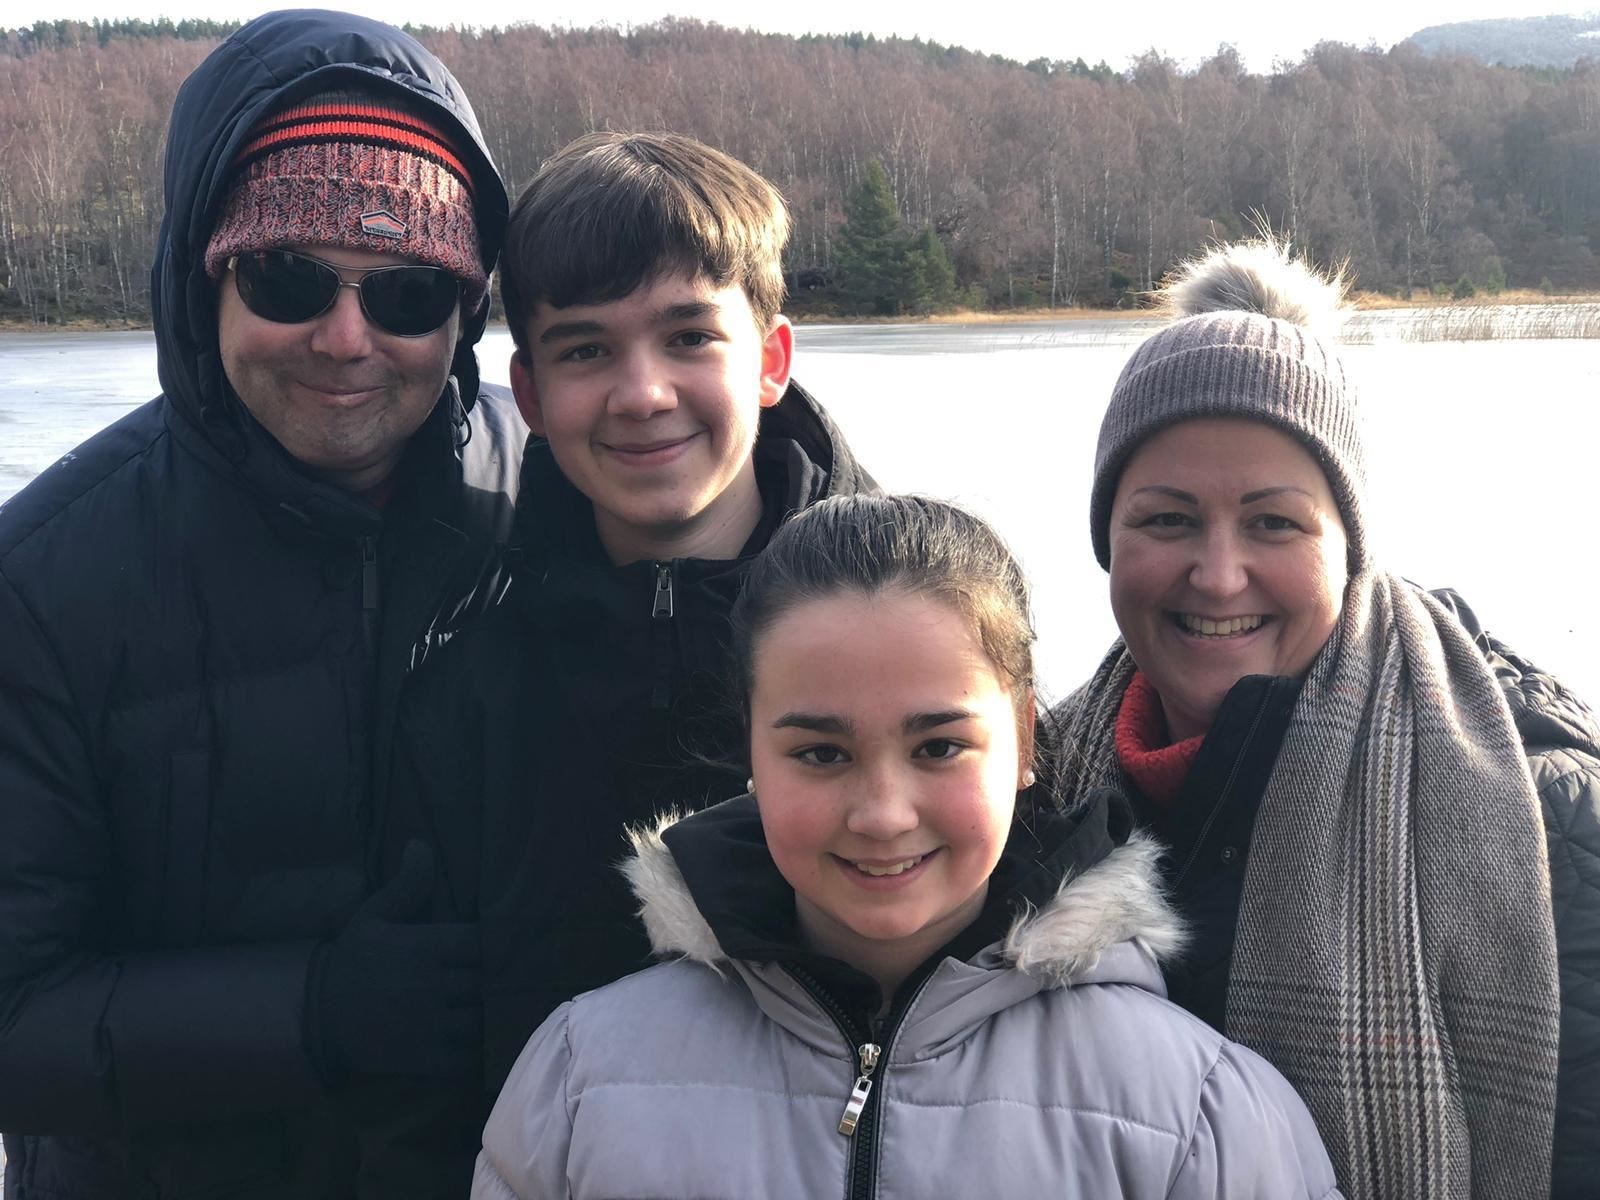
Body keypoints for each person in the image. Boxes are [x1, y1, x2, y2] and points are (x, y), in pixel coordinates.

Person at [0, 10, 524, 1197]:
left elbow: (792, 601)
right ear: (206, 279)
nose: (347, 339)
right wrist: (311, 1012)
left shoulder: (557, 501)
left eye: (405, 295)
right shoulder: (41, 587)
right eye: (289, 277)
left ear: (464, 314)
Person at [473, 494, 1341, 1199]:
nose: (883, 815)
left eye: (938, 748)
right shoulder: (583, 1081)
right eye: (821, 753)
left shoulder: (1194, 1111)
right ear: (750, 751)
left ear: (1025, 742)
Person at [1051, 237, 1600, 1200]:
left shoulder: (1544, 816)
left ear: (1353, 550)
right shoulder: (1023, 787)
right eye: (1167, 520)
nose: (1218, 575)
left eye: (1275, 523)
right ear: (1109, 541)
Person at [386, 130, 874, 1182]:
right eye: (586, 350)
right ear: (529, 390)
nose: (642, 392)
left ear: (772, 359)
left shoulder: (914, 647)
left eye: (690, 337)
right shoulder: (469, 684)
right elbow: (432, 1062)